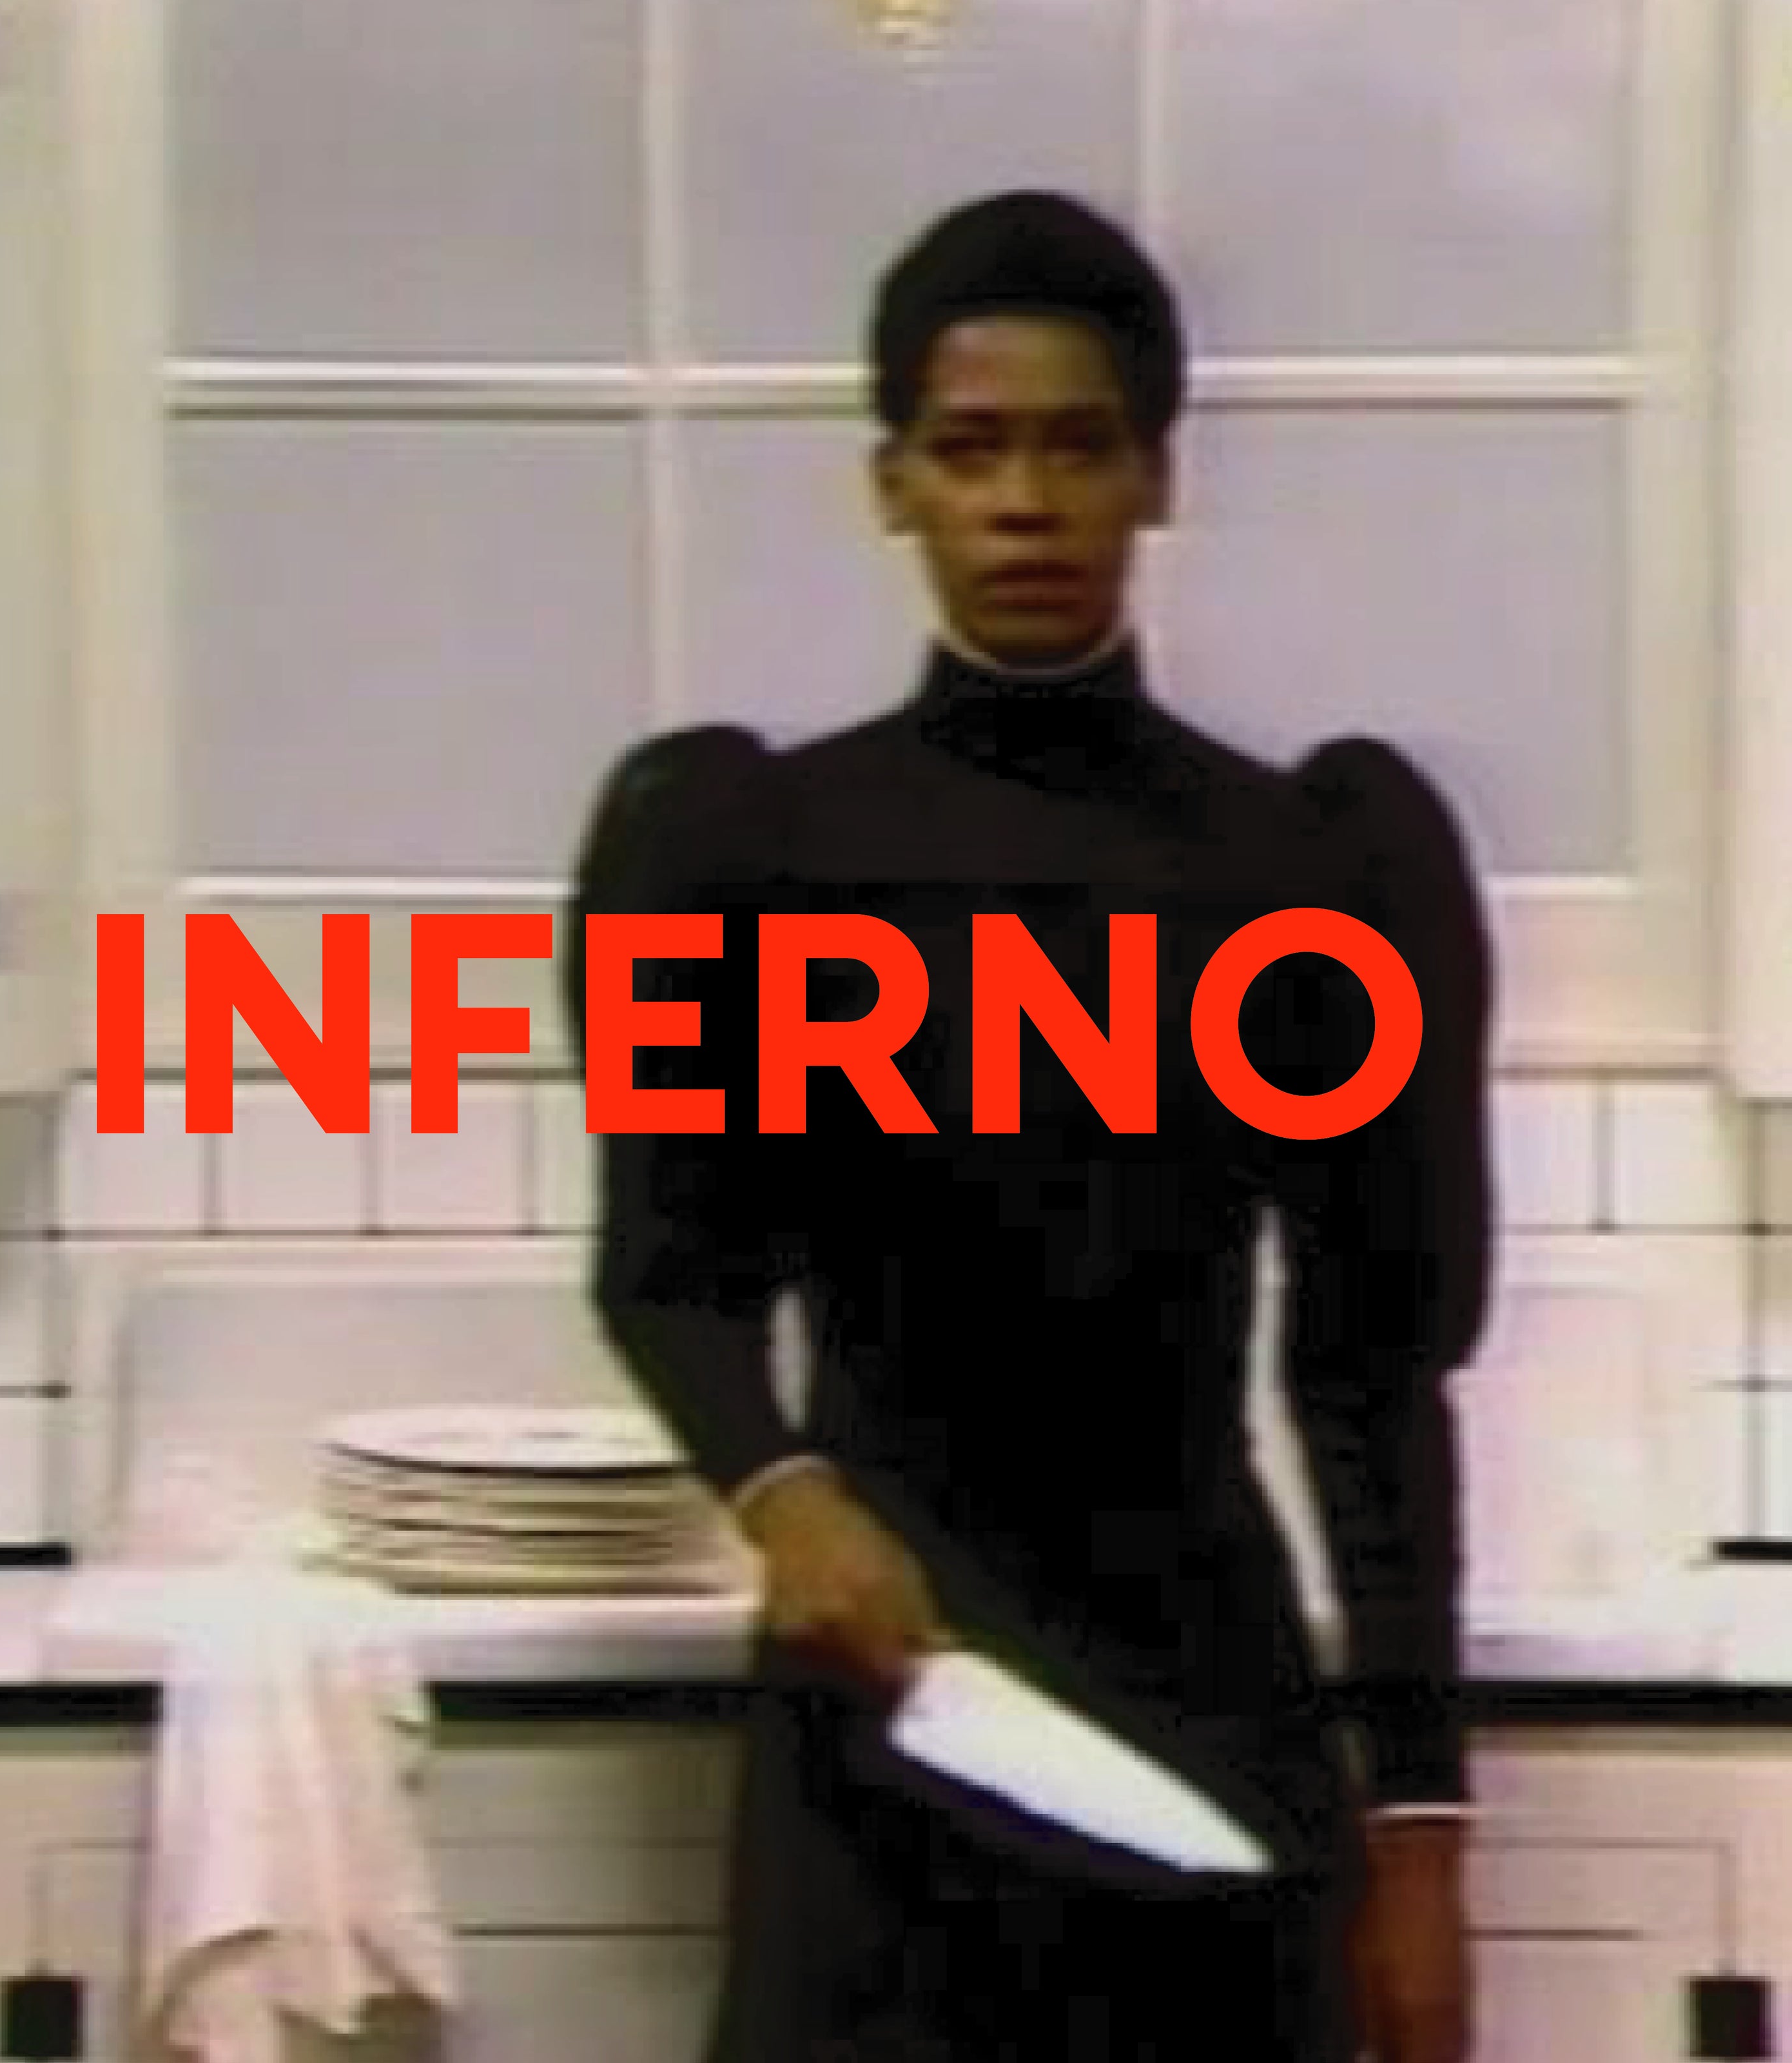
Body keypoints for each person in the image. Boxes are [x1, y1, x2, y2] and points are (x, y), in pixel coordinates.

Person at [564, 190, 1493, 2063]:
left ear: (1156, 478)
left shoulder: (1311, 867)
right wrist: (782, 1492)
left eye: (1077, 448)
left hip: (1207, 1702)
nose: (1024, 505)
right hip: (881, 1703)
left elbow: (1370, 1376)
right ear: (891, 483)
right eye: (971, 450)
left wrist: (1419, 1832)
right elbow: (668, 1274)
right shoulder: (742, 852)